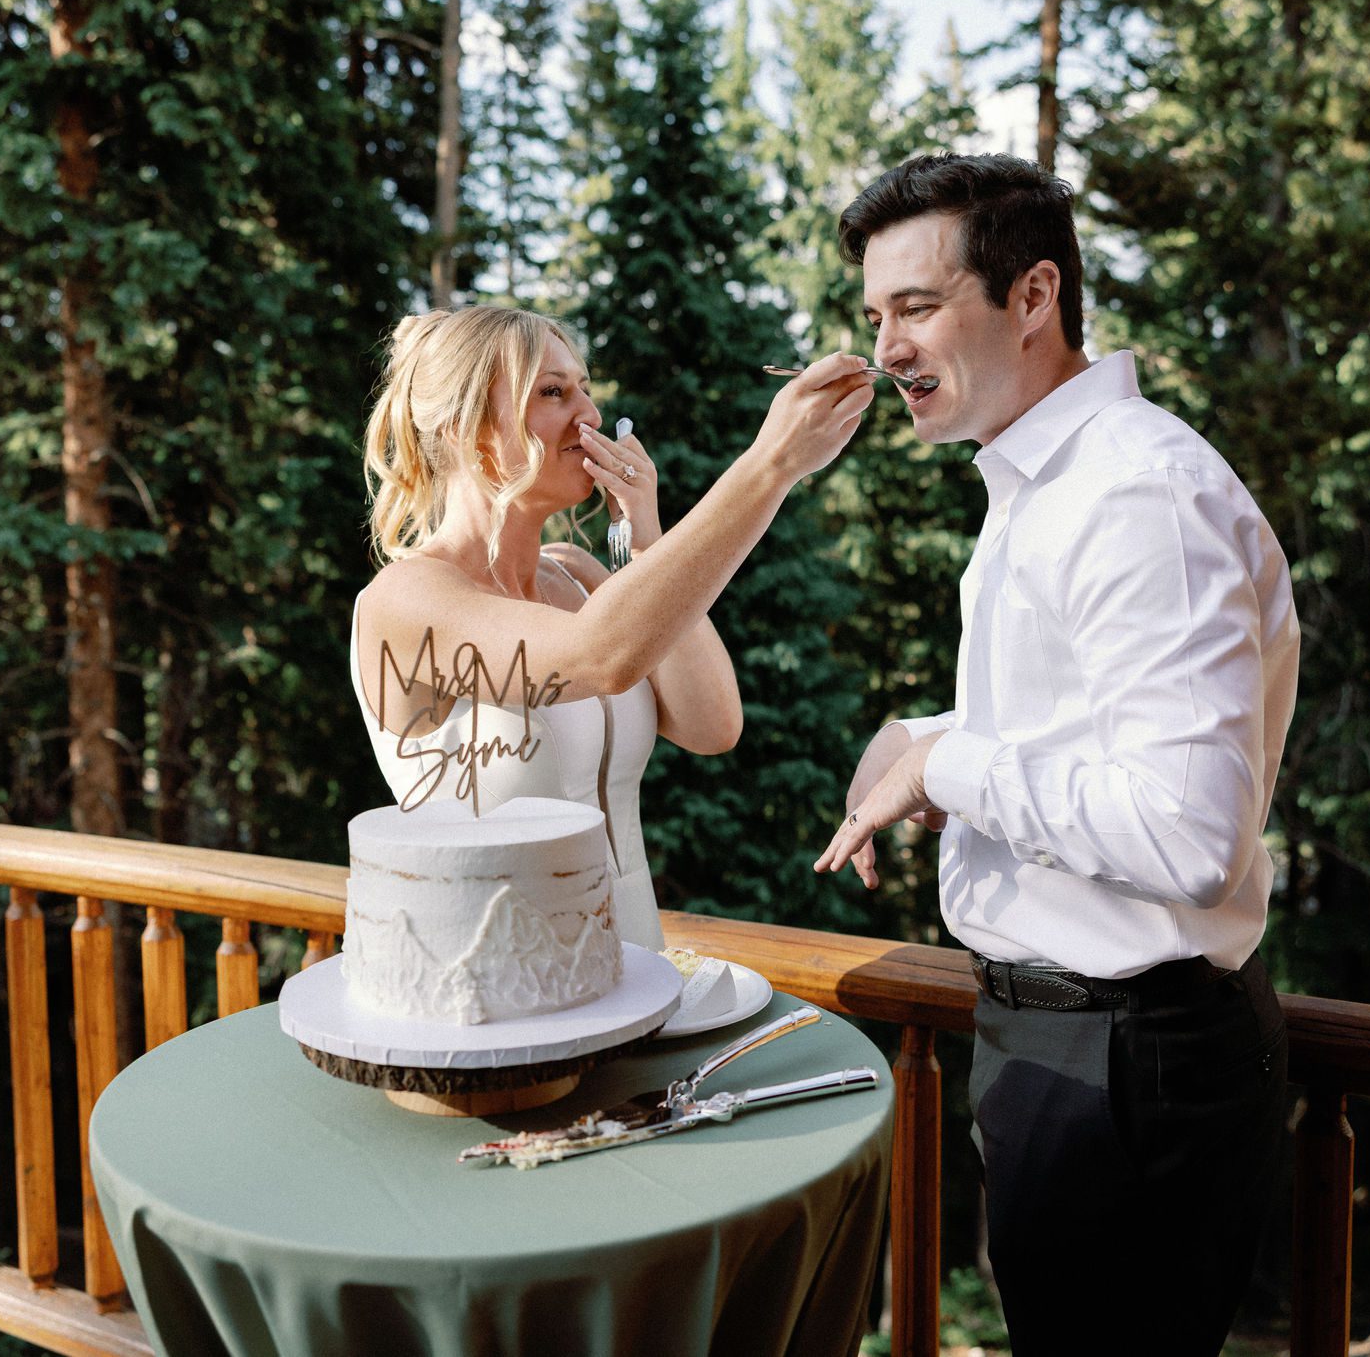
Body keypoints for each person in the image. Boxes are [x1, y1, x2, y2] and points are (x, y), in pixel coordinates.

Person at [812, 154, 1300, 1354]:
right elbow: (1080, 725)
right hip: (1067, 1053)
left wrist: (947, 769)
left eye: (916, 307)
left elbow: (1186, 833)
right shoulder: (1042, 484)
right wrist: (921, 739)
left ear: (1032, 298)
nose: (885, 351)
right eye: (873, 317)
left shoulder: (1137, 492)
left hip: (1128, 1070)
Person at [354, 304, 874, 949]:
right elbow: (600, 656)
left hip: (633, 959)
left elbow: (713, 725)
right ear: (465, 426)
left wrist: (645, 531)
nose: (590, 417)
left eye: (586, 390)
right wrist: (770, 466)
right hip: (492, 978)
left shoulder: (577, 574)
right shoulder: (407, 598)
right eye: (553, 392)